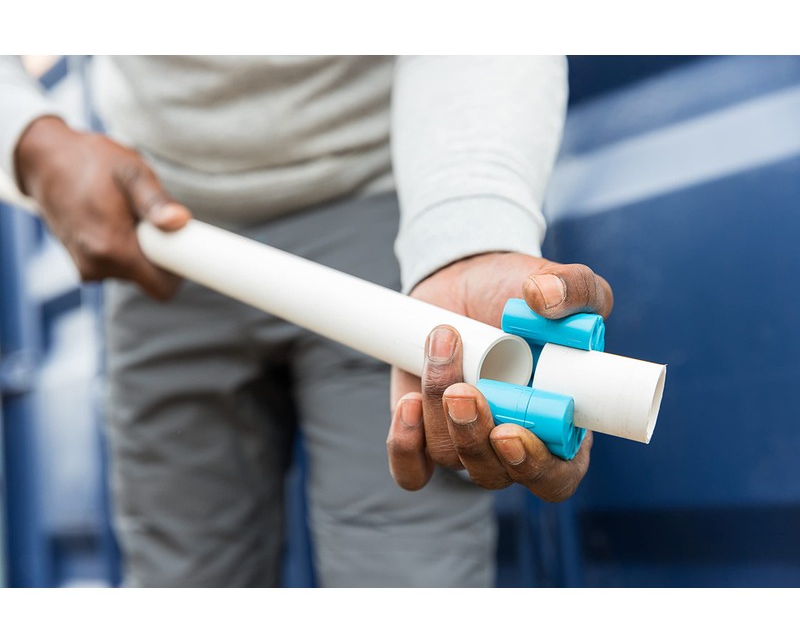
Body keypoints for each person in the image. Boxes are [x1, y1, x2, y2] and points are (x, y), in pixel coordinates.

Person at [0, 56, 613, 587]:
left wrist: (467, 239)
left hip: (381, 209)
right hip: (162, 233)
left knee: (408, 577)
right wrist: (27, 136)